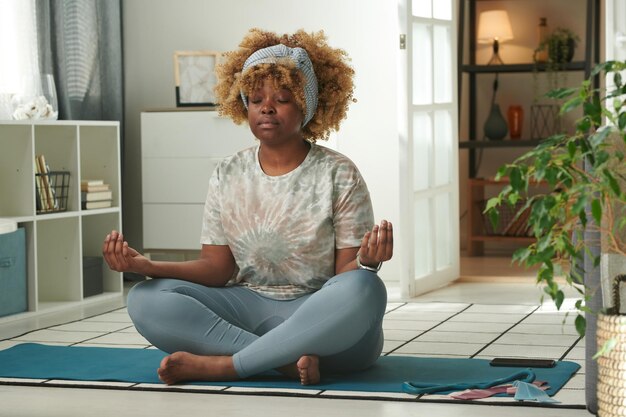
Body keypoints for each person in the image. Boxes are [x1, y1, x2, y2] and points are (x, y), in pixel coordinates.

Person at [102, 28, 393, 386]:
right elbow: (217, 268)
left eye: (282, 98)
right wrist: (146, 265)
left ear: (307, 105)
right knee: (146, 299)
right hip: (247, 308)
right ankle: (283, 362)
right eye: (256, 99)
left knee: (365, 289)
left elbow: (348, 272)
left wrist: (367, 262)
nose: (266, 108)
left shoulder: (339, 172)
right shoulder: (228, 172)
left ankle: (227, 365)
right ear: (244, 105)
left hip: (321, 320)